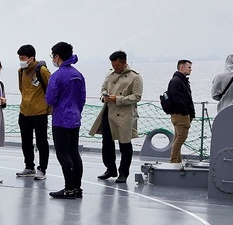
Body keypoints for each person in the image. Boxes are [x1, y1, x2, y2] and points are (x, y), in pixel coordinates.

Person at [88, 51, 142, 183]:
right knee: (106, 143)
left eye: (117, 65)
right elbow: (102, 89)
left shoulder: (135, 77)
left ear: (124, 63)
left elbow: (137, 96)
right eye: (113, 65)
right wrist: (104, 97)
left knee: (125, 144)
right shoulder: (109, 74)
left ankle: (123, 173)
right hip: (108, 112)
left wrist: (117, 99)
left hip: (124, 114)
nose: (115, 68)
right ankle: (110, 168)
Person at [44, 42, 86, 199]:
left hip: (61, 118)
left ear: (57, 56)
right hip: (75, 117)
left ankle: (68, 188)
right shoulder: (78, 74)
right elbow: (82, 97)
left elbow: (50, 98)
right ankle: (77, 187)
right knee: (74, 153)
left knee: (63, 154)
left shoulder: (57, 76)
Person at [15, 45, 51, 181]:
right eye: (19, 58)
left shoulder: (42, 70)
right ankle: (29, 166)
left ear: (31, 58)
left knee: (41, 142)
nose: (21, 61)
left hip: (40, 112)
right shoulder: (20, 71)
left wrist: (47, 106)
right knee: (26, 141)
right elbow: (21, 89)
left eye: (23, 58)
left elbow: (51, 88)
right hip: (24, 112)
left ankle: (42, 168)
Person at [165, 60, 196, 164]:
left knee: (178, 137)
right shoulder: (176, 81)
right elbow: (177, 98)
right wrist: (185, 112)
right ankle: (173, 160)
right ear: (182, 68)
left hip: (182, 113)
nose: (190, 69)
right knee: (181, 137)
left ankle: (177, 160)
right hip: (180, 114)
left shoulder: (181, 80)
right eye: (189, 67)